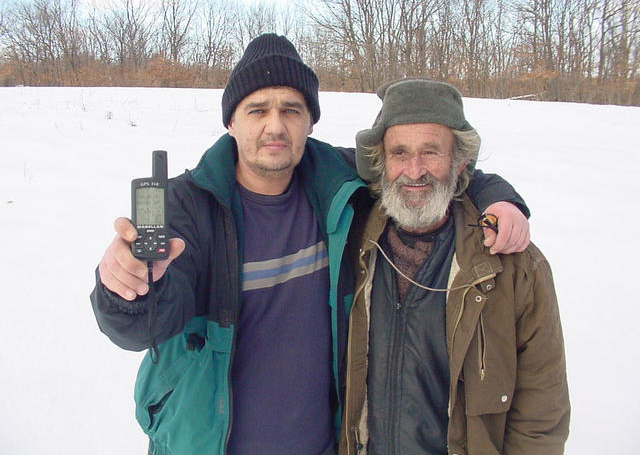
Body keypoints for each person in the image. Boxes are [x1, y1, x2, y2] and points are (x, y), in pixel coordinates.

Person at [90, 34, 531, 455]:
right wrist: (123, 289)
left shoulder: (338, 185)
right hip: (209, 445)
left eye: (292, 109)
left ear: (310, 120)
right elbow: (141, 327)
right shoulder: (187, 207)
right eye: (257, 110)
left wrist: (499, 199)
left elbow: (423, 173)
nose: (275, 126)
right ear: (231, 121)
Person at [339, 79, 570, 455]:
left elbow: (542, 411)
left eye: (431, 152)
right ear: (381, 161)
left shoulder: (513, 266)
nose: (414, 171)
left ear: (459, 161)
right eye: (400, 153)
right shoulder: (351, 241)